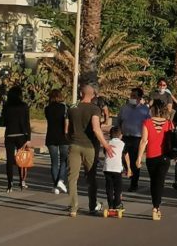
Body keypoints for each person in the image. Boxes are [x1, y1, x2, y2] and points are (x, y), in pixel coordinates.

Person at [67, 84, 115, 217]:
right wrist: (106, 145)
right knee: (91, 178)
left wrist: (70, 139)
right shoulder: (95, 109)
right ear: (93, 95)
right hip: (89, 147)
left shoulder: (71, 108)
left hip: (74, 145)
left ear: (81, 94)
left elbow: (67, 129)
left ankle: (73, 208)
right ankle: (92, 206)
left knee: (72, 178)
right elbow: (96, 128)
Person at [136, 100, 174, 221]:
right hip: (164, 156)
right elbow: (172, 141)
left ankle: (155, 205)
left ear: (153, 110)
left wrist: (138, 158)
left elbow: (143, 141)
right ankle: (156, 207)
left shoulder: (147, 122)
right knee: (160, 181)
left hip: (151, 156)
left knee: (153, 181)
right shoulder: (169, 123)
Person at [118, 87, 150, 192]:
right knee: (121, 155)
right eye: (131, 96)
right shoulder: (124, 108)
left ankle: (134, 183)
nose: (132, 98)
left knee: (134, 161)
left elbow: (149, 125)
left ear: (140, 98)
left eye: (135, 96)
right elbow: (119, 121)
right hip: (125, 136)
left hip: (137, 138)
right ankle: (128, 170)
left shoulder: (145, 110)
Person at [2, 86, 31, 193]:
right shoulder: (24, 106)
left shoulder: (6, 106)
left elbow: (3, 122)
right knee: (21, 159)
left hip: (9, 134)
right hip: (21, 135)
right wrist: (28, 138)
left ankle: (10, 184)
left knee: (9, 160)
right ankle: (22, 181)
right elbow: (27, 122)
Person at [44, 89, 69, 194]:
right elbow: (66, 122)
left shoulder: (47, 109)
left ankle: (56, 186)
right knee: (64, 160)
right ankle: (60, 180)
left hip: (50, 136)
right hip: (63, 137)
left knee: (54, 162)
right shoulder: (64, 108)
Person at [103, 126, 125, 211]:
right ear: (120, 135)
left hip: (107, 168)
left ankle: (110, 205)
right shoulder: (122, 144)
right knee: (118, 188)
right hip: (117, 169)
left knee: (109, 187)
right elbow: (124, 156)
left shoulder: (107, 143)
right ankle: (117, 204)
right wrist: (128, 168)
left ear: (110, 135)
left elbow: (105, 153)